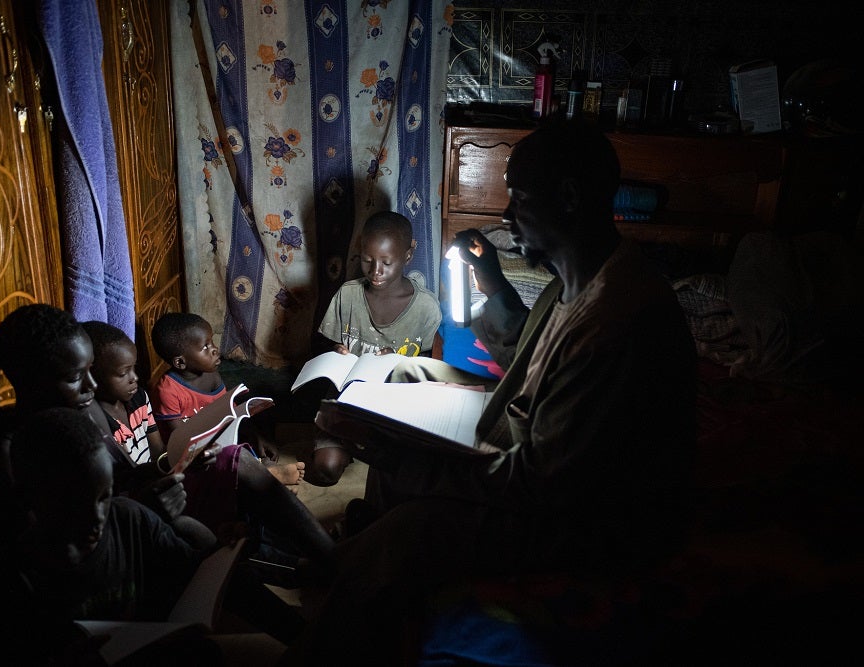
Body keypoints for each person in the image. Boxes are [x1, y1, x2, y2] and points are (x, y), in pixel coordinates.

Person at [288, 116, 698, 664]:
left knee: (414, 526)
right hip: (537, 432)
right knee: (405, 375)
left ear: (568, 199)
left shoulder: (618, 320)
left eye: (520, 200)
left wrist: (421, 468)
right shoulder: (577, 279)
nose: (507, 217)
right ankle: (363, 541)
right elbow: (528, 356)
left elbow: (540, 484)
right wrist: (496, 285)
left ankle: (356, 579)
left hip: (586, 517)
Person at [0, 407, 304, 664]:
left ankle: (307, 639)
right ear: (28, 500)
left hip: (160, 651)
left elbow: (192, 572)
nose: (97, 517)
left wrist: (223, 550)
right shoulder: (16, 577)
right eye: (74, 507)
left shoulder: (127, 518)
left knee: (209, 643)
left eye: (103, 497)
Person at [0, 303, 213, 551]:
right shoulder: (9, 451)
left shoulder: (83, 412)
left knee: (196, 534)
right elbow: (51, 544)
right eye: (75, 377)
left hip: (128, 523)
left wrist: (181, 460)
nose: (91, 385)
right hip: (99, 555)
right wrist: (140, 508)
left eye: (90, 370)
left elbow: (123, 475)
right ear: (33, 381)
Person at [148, 311, 335, 579]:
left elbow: (230, 413)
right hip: (194, 461)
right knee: (251, 490)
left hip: (221, 445)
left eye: (212, 342)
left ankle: (298, 534)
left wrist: (257, 436)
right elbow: (181, 442)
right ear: (180, 361)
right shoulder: (168, 390)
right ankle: (269, 480)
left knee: (250, 454)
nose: (215, 349)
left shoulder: (212, 376)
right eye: (205, 347)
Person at [305, 210, 442, 486]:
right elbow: (321, 345)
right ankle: (351, 445)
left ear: (407, 256)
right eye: (367, 260)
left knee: (409, 477)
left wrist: (399, 363)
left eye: (386, 263)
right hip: (345, 404)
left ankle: (373, 449)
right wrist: (335, 351)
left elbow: (433, 367)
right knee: (325, 470)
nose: (376, 271)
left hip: (395, 408)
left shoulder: (426, 309)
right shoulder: (348, 294)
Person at [81, 320, 166, 466]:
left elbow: (158, 451)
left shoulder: (139, 398)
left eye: (133, 368)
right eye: (123, 373)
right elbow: (126, 474)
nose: (134, 378)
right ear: (92, 375)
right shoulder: (99, 422)